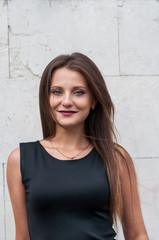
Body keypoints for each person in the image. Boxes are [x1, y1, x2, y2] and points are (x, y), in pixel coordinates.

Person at [7, 52, 149, 240]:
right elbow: (23, 237)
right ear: (46, 98)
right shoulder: (20, 159)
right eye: (57, 91)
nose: (66, 101)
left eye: (78, 92)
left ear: (94, 100)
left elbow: (137, 234)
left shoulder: (115, 157)